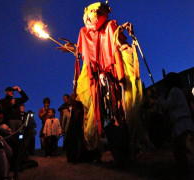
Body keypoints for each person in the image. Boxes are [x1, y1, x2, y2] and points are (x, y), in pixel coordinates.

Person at [73, 2, 143, 163]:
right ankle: (117, 151)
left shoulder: (110, 26)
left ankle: (124, 152)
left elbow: (118, 45)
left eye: (93, 13)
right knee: (108, 114)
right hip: (100, 81)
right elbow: (85, 54)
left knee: (118, 111)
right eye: (88, 14)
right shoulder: (84, 32)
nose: (90, 18)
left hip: (112, 77)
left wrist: (125, 41)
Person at [158, 72, 194, 171]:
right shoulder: (178, 91)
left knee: (180, 151)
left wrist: (161, 98)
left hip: (182, 126)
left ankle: (184, 171)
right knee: (183, 150)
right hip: (185, 124)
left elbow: (167, 105)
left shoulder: (174, 91)